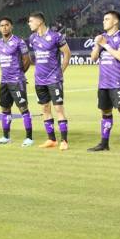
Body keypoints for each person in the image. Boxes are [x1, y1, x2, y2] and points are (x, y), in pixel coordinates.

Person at [88, 10, 120, 155]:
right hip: (103, 83)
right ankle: (104, 143)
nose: (104, 21)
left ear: (115, 21)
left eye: (107, 19)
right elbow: (93, 58)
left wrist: (106, 45)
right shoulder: (102, 38)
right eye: (103, 19)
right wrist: (97, 44)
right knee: (105, 112)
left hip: (117, 82)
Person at [0, 17, 34, 147]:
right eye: (2, 25)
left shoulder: (19, 42)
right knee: (5, 108)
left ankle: (29, 137)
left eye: (7, 25)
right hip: (4, 81)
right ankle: (5, 137)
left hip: (17, 81)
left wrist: (20, 74)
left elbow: (27, 60)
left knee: (23, 108)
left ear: (11, 27)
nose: (4, 27)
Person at [27, 11, 71, 151]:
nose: (29, 24)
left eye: (31, 21)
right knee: (45, 109)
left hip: (54, 79)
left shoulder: (55, 36)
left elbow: (67, 53)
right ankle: (51, 139)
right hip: (39, 80)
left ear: (39, 22)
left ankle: (64, 140)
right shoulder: (32, 38)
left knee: (58, 108)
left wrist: (61, 71)